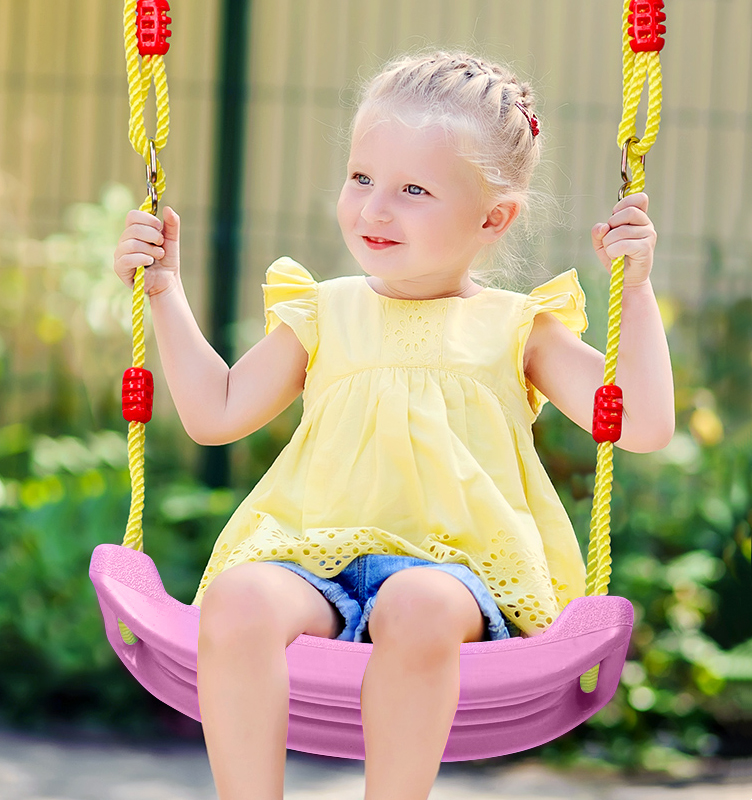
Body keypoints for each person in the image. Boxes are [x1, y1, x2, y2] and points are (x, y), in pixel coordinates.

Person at [114, 51, 674, 800]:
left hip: (457, 576)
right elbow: (216, 412)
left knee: (419, 602)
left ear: (493, 217)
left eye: (413, 189)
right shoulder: (324, 311)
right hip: (315, 564)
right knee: (240, 598)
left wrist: (633, 293)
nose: (375, 209)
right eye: (362, 178)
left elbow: (639, 425)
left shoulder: (518, 328)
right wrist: (163, 291)